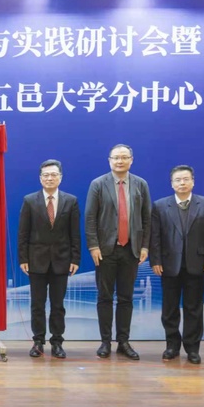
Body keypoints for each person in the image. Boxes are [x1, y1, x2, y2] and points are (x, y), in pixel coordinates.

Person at [85, 144, 151, 360]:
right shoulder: (98, 184)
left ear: (131, 160)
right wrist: (93, 246)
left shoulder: (141, 184)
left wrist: (144, 246)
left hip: (131, 249)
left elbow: (147, 218)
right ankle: (105, 342)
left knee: (126, 298)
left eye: (124, 157)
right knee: (104, 297)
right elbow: (90, 217)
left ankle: (123, 341)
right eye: (116, 158)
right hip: (105, 250)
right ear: (109, 160)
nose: (120, 161)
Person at [149, 165, 204, 364]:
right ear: (172, 184)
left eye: (186, 179)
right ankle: (172, 346)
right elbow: (155, 237)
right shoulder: (160, 205)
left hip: (197, 264)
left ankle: (193, 348)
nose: (182, 183)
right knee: (169, 309)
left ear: (193, 182)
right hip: (169, 264)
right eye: (178, 180)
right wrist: (156, 260)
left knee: (193, 308)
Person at [17, 159, 80, 359]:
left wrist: (75, 259)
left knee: (58, 305)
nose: (50, 178)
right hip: (36, 260)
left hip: (62, 260)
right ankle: (38, 341)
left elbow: (75, 233)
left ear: (60, 177)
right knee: (37, 304)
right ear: (40, 178)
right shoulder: (29, 200)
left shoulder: (71, 201)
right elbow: (23, 232)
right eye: (46, 175)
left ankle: (57, 342)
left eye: (53, 175)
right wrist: (23, 258)